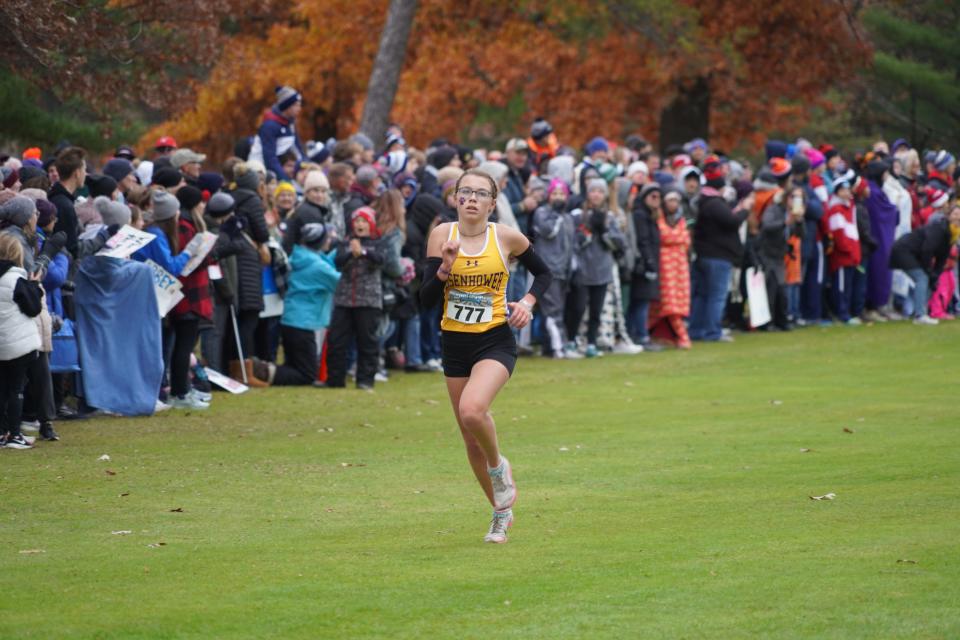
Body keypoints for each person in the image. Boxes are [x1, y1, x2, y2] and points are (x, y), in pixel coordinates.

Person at [418, 168, 552, 544]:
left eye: (480, 193)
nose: (471, 199)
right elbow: (424, 300)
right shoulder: (441, 236)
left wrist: (527, 301)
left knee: (473, 410)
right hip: (454, 344)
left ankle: (499, 468)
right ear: (455, 198)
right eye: (465, 192)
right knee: (469, 438)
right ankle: (500, 512)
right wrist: (444, 267)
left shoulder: (505, 236)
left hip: (494, 339)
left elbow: (544, 274)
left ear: (493, 203)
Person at [325, 207, 387, 390]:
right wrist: (351, 253)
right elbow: (337, 262)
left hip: (368, 300)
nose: (360, 225)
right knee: (336, 341)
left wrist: (364, 253)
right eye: (357, 221)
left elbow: (381, 260)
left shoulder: (378, 242)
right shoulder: (345, 243)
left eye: (364, 221)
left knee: (367, 342)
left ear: (371, 224)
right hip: (344, 300)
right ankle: (335, 380)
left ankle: (365, 381)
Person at [0, 233, 43, 449]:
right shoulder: (16, 280)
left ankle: (2, 432)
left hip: (1, 343)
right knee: (16, 389)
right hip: (18, 344)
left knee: (2, 389)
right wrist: (35, 286)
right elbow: (33, 308)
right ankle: (15, 434)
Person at [889, 204, 960, 325]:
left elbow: (942, 258)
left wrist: (935, 274)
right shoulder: (939, 228)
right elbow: (927, 249)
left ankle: (921, 312)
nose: (958, 217)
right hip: (904, 250)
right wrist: (928, 270)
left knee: (930, 280)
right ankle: (920, 315)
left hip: (914, 253)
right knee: (922, 278)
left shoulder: (952, 234)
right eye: (955, 214)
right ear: (948, 216)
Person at [248, 86, 305, 181]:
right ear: (287, 106)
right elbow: (270, 159)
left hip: (278, 171)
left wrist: (306, 165)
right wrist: (285, 180)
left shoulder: (290, 124)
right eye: (296, 105)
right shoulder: (269, 126)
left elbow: (298, 150)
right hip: (260, 172)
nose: (299, 108)